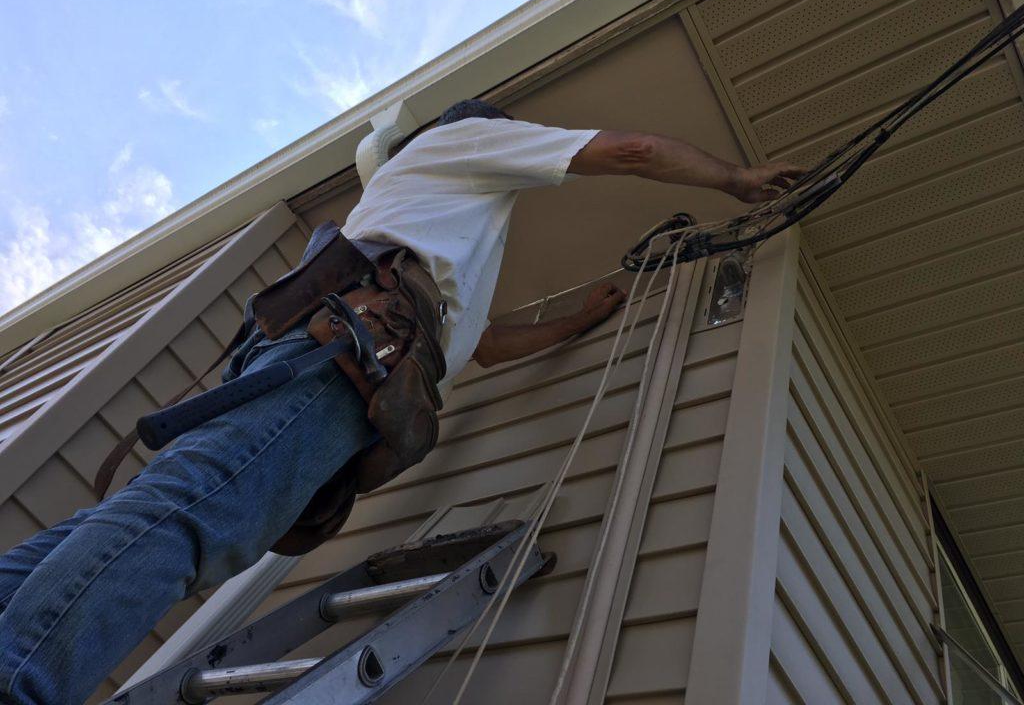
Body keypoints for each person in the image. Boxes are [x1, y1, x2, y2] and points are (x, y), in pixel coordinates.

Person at [0, 99, 802, 704]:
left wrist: (580, 320)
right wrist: (734, 178)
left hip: (338, 349)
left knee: (132, 515)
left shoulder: (438, 219)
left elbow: (482, 347)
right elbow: (629, 151)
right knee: (193, 513)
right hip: (349, 358)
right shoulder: (461, 143)